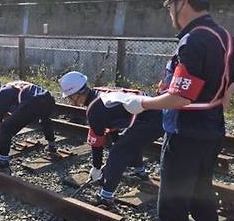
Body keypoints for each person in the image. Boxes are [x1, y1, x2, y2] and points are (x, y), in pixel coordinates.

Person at [117, 0, 234, 221]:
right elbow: (225, 93)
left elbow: (181, 96)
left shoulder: (193, 40)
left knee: (171, 207)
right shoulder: (225, 37)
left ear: (183, 1)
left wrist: (140, 104)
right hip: (212, 131)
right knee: (201, 195)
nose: (171, 12)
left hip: (184, 134)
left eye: (171, 5)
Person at [59, 71, 163, 205]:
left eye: (69, 97)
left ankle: (106, 197)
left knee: (118, 152)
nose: (70, 101)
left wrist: (96, 167)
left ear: (76, 94)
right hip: (154, 115)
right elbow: (113, 125)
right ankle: (140, 173)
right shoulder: (99, 94)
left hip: (152, 121)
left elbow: (97, 144)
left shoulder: (94, 110)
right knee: (127, 143)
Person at [0, 77, 57, 171]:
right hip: (48, 98)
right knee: (45, 119)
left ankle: (3, 162)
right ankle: (52, 146)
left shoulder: (2, 94)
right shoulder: (12, 85)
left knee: (5, 128)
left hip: (32, 103)